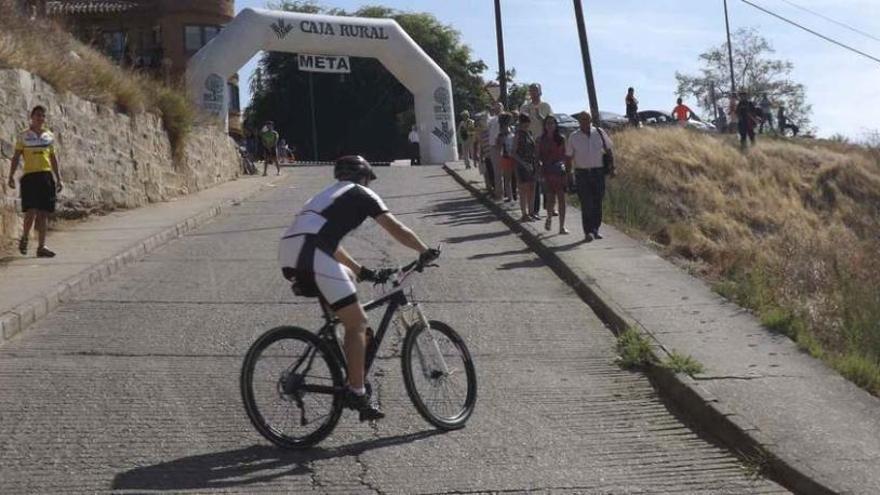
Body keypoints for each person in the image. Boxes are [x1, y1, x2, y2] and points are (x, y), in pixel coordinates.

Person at [278, 156, 439, 421]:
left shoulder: (326, 196)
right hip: (311, 254)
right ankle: (357, 392)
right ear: (364, 178)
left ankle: (344, 359)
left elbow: (327, 241)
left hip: (291, 252)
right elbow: (395, 228)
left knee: (349, 292)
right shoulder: (362, 194)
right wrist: (424, 250)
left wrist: (362, 270)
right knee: (357, 322)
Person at [7, 105, 63, 258]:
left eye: (43, 116)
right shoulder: (23, 136)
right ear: (31, 117)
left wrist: (59, 178)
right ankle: (25, 237)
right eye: (37, 115)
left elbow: (53, 158)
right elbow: (16, 156)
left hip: (45, 176)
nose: (40, 118)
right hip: (30, 176)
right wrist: (11, 175)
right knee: (31, 211)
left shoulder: (49, 136)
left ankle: (41, 246)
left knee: (44, 213)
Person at [565, 111, 613, 242]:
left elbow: (608, 149)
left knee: (597, 202)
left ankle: (595, 229)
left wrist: (612, 168)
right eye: (582, 119)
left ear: (590, 120)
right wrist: (569, 175)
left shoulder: (599, 132)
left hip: (598, 172)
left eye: (587, 119)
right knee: (586, 203)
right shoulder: (574, 137)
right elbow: (568, 157)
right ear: (578, 121)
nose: (585, 122)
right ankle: (588, 231)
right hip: (582, 174)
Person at [520, 83, 552, 216]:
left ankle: (550, 205)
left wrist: (540, 116)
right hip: (530, 144)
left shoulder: (546, 106)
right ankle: (535, 209)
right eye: (531, 90)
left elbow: (550, 123)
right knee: (535, 176)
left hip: (544, 142)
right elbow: (521, 124)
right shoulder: (525, 107)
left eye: (536, 90)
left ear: (540, 92)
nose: (533, 93)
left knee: (548, 175)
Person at [537, 115, 569, 234]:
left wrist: (567, 170)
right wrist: (539, 170)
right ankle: (549, 218)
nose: (550, 126)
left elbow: (566, 155)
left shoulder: (561, 138)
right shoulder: (541, 140)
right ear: (545, 126)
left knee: (562, 199)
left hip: (560, 172)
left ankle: (562, 226)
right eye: (548, 123)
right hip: (547, 171)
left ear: (556, 125)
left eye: (552, 123)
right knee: (550, 199)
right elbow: (538, 156)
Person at [512, 113, 538, 222]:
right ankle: (524, 213)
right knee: (524, 189)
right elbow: (513, 152)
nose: (526, 124)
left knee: (532, 188)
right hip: (522, 164)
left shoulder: (530, 133)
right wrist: (523, 163)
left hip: (532, 163)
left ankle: (532, 212)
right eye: (524, 122)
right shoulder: (518, 134)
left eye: (527, 121)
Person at [497, 112, 517, 203]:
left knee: (510, 178)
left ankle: (512, 196)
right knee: (509, 178)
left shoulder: (509, 131)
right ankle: (511, 196)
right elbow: (499, 146)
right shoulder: (504, 133)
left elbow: (498, 146)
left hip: (510, 156)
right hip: (509, 157)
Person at [487, 101, 505, 199]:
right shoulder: (492, 119)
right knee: (496, 171)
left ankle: (506, 193)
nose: (497, 109)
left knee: (505, 171)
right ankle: (499, 193)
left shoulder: (504, 117)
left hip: (502, 146)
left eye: (499, 107)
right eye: (496, 107)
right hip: (493, 145)